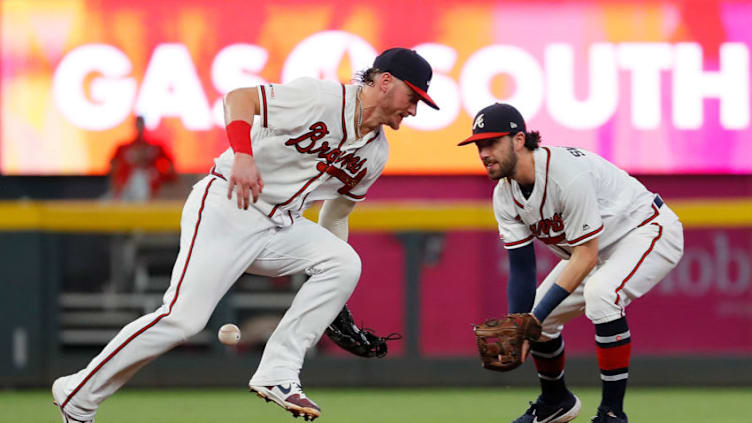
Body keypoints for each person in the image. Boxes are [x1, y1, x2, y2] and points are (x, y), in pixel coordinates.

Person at [51, 47, 439, 422]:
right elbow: (239, 99)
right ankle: (78, 395)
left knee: (343, 261)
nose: (413, 109)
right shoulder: (322, 97)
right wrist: (243, 155)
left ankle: (278, 372)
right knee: (182, 319)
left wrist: (333, 296)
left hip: (280, 224)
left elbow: (336, 215)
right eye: (413, 96)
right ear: (386, 81)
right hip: (230, 204)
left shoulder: (375, 152)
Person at [458, 103, 684, 423]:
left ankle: (612, 413)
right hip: (596, 248)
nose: (483, 152)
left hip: (647, 230)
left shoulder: (565, 174)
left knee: (601, 295)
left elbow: (586, 255)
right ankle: (555, 401)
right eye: (479, 145)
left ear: (519, 140)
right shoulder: (504, 195)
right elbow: (522, 267)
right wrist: (522, 323)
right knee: (540, 317)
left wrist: (531, 320)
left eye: (492, 142)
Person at [108, 115, 176, 201]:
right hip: (127, 184)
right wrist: (115, 181)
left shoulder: (153, 147)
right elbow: (113, 164)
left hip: (148, 183)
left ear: (144, 126)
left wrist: (165, 178)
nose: (139, 127)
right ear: (135, 126)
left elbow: (170, 162)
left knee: (142, 179)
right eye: (138, 124)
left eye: (141, 124)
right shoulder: (124, 148)